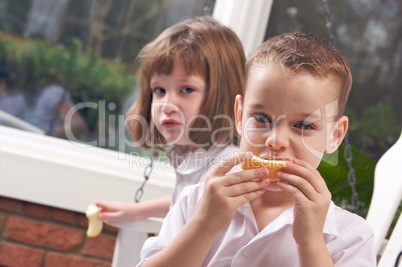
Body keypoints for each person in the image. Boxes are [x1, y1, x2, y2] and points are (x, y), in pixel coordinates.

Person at [137, 32, 376, 266]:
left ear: (334, 135)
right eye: (262, 118)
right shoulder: (197, 202)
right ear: (240, 116)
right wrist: (204, 224)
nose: (276, 140)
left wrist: (311, 242)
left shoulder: (350, 237)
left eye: (303, 125)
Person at [94, 16, 246, 223]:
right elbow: (188, 203)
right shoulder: (194, 154)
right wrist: (137, 211)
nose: (166, 105)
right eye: (159, 90)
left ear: (222, 94)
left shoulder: (228, 166)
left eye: (186, 89)